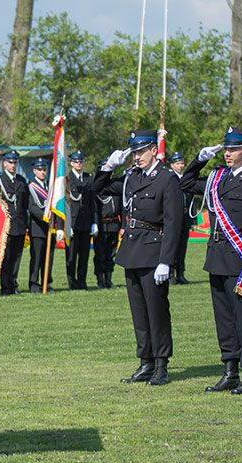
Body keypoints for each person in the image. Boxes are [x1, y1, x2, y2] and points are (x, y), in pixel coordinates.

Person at [178, 128, 242, 394]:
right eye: (226, 149)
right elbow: (185, 184)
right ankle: (230, 370)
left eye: (233, 149)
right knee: (224, 319)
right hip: (216, 256)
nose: (228, 153)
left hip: (239, 259)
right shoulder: (217, 177)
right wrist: (200, 159)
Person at [94, 130, 183, 385]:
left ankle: (161, 364)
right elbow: (97, 188)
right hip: (132, 251)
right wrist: (108, 166)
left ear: (154, 150)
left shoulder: (166, 179)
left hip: (153, 252)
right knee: (139, 313)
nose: (137, 157)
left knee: (157, 311)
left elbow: (173, 223)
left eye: (141, 151)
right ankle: (146, 361)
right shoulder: (131, 177)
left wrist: (166, 261)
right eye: (134, 152)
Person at [0, 151, 28, 295]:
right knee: (6, 258)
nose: (13, 165)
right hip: (6, 226)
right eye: (10, 162)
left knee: (16, 257)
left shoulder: (21, 180)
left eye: (15, 162)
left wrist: (26, 224)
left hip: (19, 225)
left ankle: (14, 285)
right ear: (4, 163)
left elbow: (25, 204)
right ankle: (5, 287)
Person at [66, 151, 97, 290]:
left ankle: (82, 282)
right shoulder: (67, 179)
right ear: (71, 163)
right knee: (71, 256)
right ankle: (72, 282)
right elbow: (65, 203)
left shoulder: (89, 178)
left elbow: (92, 203)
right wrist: (66, 224)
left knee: (84, 256)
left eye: (81, 161)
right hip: (73, 222)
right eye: (76, 161)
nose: (79, 164)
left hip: (86, 222)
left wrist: (95, 222)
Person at [26, 157, 58, 293]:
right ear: (34, 171)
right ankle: (34, 284)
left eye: (44, 169)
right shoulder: (30, 187)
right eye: (39, 170)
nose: (42, 172)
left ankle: (46, 283)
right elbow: (32, 207)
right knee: (37, 257)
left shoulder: (51, 187)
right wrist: (46, 217)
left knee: (48, 258)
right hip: (37, 227)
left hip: (50, 228)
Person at [93, 159, 121, 289]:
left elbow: (122, 208)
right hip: (101, 225)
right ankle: (100, 279)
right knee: (100, 254)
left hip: (114, 224)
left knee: (111, 254)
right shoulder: (96, 187)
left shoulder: (115, 185)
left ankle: (108, 279)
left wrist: (123, 226)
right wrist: (94, 223)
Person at [167, 152, 192, 285]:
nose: (180, 166)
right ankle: (170, 273)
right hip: (174, 218)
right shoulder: (170, 178)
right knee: (173, 246)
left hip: (185, 217)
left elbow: (190, 199)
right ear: (172, 165)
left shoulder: (185, 178)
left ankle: (180, 273)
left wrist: (192, 217)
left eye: (182, 163)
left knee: (182, 246)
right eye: (178, 163)